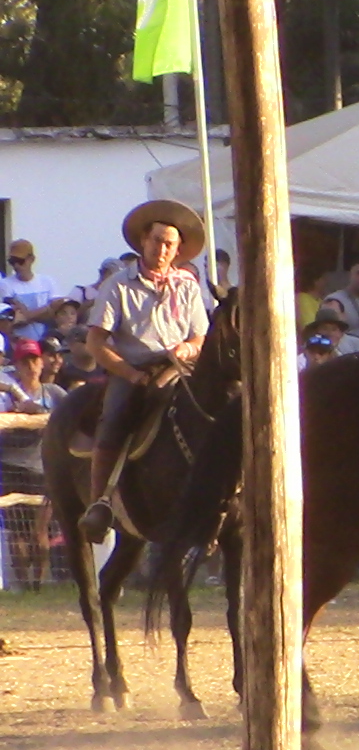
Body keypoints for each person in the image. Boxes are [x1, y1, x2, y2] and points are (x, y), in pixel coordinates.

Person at [77, 201, 210, 543]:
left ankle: (223, 497)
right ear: (142, 241)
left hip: (181, 368)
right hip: (134, 369)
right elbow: (95, 341)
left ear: (178, 249)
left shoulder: (188, 286)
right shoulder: (119, 285)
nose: (162, 249)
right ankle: (100, 505)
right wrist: (128, 373)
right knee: (116, 417)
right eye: (157, 241)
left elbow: (200, 334)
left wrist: (189, 347)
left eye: (170, 244)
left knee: (218, 408)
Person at [0, 339, 66, 590]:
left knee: (40, 531)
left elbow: (70, 418)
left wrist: (32, 410)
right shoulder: (5, 394)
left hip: (42, 467)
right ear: (16, 365)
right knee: (17, 533)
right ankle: (24, 585)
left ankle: (37, 585)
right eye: (25, 361)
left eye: (34, 359)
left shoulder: (54, 393)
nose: (31, 365)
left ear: (41, 362)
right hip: (11, 465)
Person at [2, 240, 62, 342]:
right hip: (19, 343)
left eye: (20, 261)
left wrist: (28, 315)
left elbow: (58, 313)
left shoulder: (48, 282)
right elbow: (13, 318)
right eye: (12, 261)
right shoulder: (5, 284)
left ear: (31, 259)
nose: (16, 265)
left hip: (47, 342)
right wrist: (48, 308)